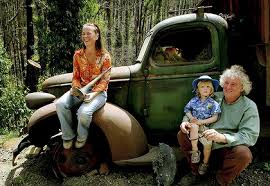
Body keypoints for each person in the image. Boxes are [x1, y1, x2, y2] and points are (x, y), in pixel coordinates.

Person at [178, 65, 260, 186]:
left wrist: (222, 137)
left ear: (242, 87)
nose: (228, 87)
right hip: (203, 141)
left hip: (225, 148)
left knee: (244, 154)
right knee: (183, 134)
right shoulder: (214, 96)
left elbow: (249, 136)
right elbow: (194, 109)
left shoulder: (249, 106)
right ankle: (195, 172)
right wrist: (185, 122)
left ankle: (220, 180)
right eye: (226, 83)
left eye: (233, 84)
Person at [56, 23, 112, 150]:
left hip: (99, 93)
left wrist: (92, 94)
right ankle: (68, 136)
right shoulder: (77, 55)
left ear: (97, 36)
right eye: (83, 33)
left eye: (89, 33)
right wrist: (76, 88)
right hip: (81, 89)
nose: (85, 36)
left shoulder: (105, 57)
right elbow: (75, 76)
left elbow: (105, 81)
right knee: (60, 104)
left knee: (84, 112)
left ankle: (82, 138)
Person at [183, 75, 221, 175]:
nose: (205, 89)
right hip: (194, 126)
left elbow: (215, 117)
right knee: (194, 126)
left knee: (208, 144)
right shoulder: (193, 101)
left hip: (206, 127)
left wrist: (202, 122)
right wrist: (191, 118)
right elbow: (187, 110)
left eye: (208, 87)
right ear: (198, 90)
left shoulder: (213, 103)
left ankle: (205, 163)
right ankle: (195, 151)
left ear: (211, 90)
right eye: (202, 87)